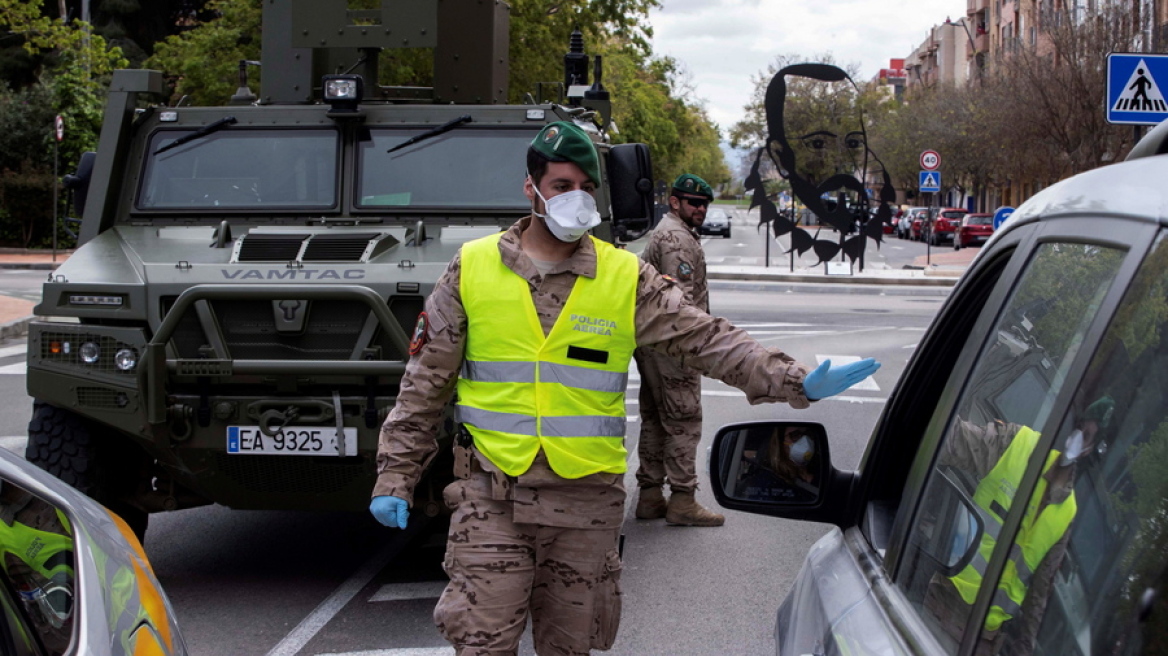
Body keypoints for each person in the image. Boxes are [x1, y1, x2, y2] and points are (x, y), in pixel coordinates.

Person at [368, 120, 881, 656]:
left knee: (570, 650)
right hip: (493, 502)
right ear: (532, 188)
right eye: (563, 186)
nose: (577, 199)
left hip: (585, 508)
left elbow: (705, 337)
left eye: (587, 187)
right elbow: (425, 383)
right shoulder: (473, 267)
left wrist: (794, 379)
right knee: (481, 647)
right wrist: (395, 475)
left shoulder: (624, 276)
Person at [922, 396, 1113, 656]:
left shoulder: (1066, 513)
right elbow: (952, 441)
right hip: (941, 605)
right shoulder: (1018, 444)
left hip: (981, 639)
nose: (1078, 437)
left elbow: (1040, 589)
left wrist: (1025, 645)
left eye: (1087, 436)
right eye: (1079, 427)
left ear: (1089, 450)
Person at [633, 172, 724, 527]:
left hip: (653, 342)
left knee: (656, 420)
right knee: (684, 421)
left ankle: (651, 496)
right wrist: (699, 346)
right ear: (675, 202)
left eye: (704, 204)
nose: (701, 209)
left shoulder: (671, 232)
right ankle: (683, 500)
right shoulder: (675, 239)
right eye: (694, 203)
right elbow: (680, 304)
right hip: (673, 345)